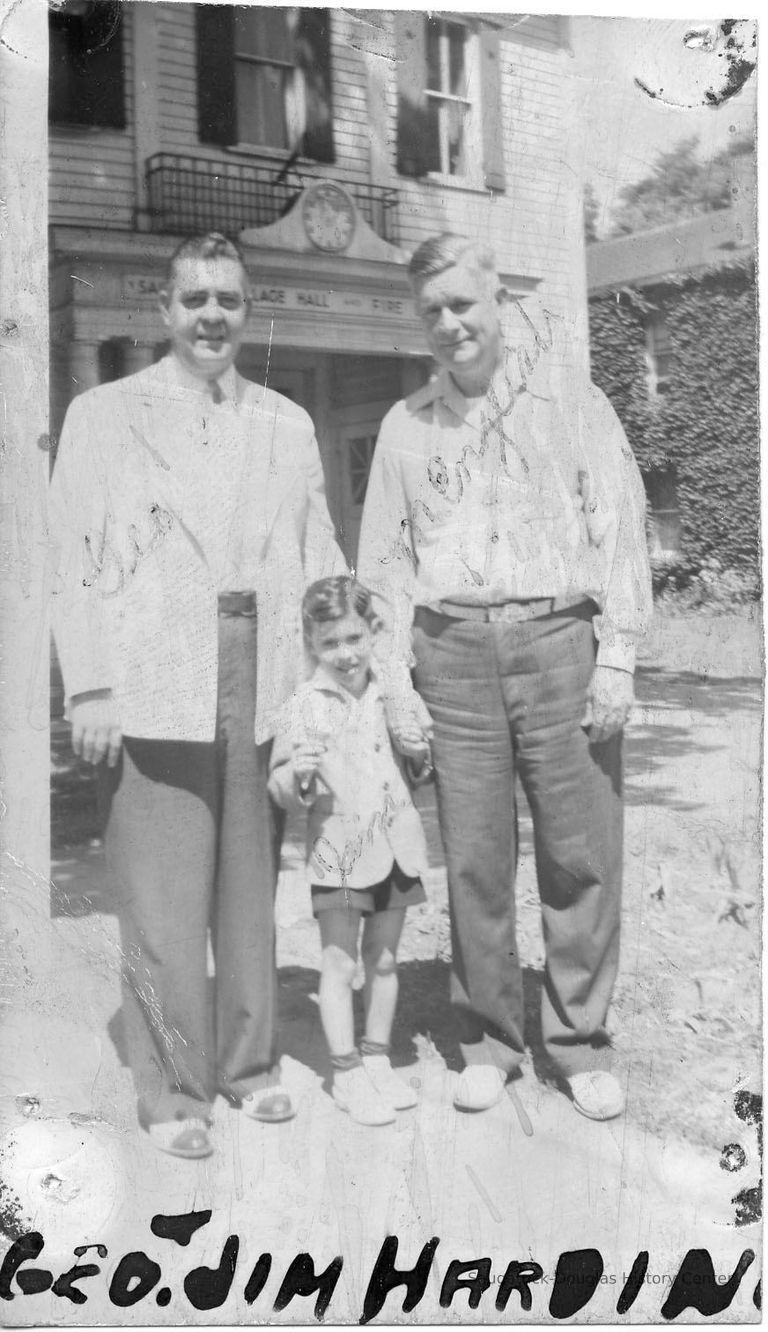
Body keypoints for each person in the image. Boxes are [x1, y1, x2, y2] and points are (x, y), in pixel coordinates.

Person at [49, 232, 345, 1158]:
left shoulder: (286, 422)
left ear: (246, 312)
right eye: (195, 299)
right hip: (149, 673)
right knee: (163, 889)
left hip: (263, 665)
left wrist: (338, 682)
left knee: (251, 883)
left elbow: (321, 553)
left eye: (229, 299)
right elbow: (74, 560)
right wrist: (90, 682)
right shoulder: (105, 415)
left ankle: (249, 1067)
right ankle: (175, 1089)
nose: (212, 315)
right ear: (163, 310)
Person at [357, 234, 653, 1120]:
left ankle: (579, 1042)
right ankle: (489, 1040)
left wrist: (622, 658)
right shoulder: (404, 427)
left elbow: (622, 528)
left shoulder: (572, 404)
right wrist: (398, 686)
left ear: (499, 305)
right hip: (451, 655)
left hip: (562, 643)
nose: (449, 325)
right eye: (432, 313)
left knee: (581, 854)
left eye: (463, 305)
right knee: (477, 861)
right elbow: (384, 566)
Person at [268, 576, 430, 1126]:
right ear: (311, 642)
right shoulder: (303, 704)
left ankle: (378, 1060)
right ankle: (345, 1073)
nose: (344, 654)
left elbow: (419, 765)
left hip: (395, 842)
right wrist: (301, 773)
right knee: (339, 961)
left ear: (373, 634)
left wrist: (417, 751)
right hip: (339, 849)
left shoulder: (396, 690)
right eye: (330, 642)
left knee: (384, 960)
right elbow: (282, 787)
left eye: (354, 639)